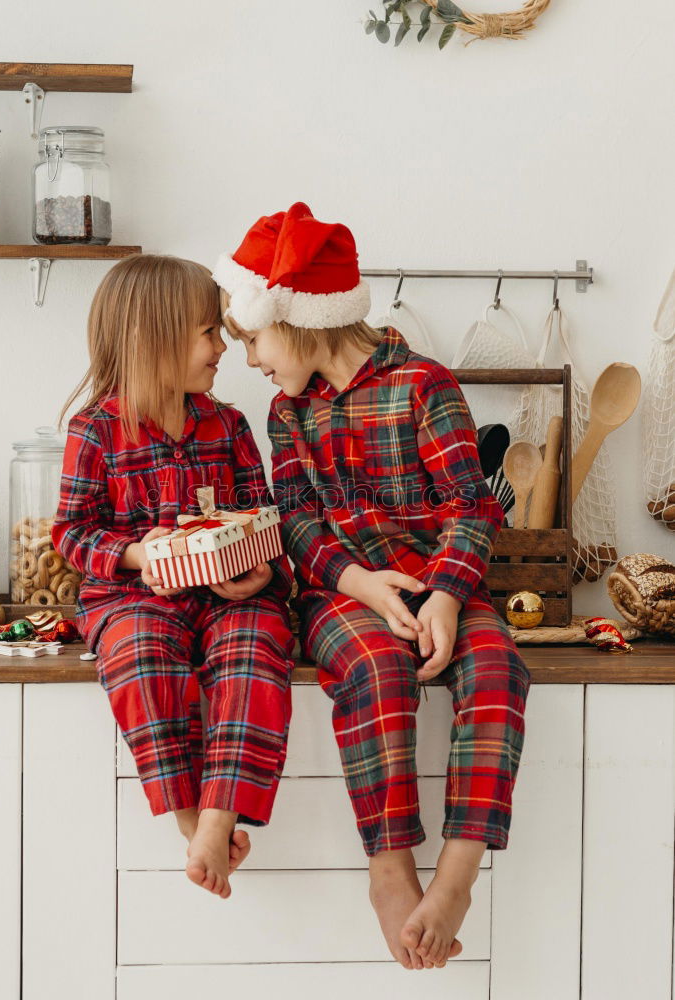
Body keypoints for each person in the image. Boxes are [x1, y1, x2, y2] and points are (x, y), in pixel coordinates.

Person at [214, 203, 531, 969]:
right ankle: (390, 868)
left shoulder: (425, 386)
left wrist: (448, 598)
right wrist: (360, 582)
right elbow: (295, 521)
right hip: (340, 596)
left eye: (253, 338)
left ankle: (458, 872)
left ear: (296, 320)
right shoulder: (288, 414)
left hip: (442, 586)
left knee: (497, 671)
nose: (251, 359)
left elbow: (471, 504)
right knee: (378, 671)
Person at [52, 254, 295, 900]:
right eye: (208, 332)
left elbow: (262, 516)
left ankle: (220, 816)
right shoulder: (97, 431)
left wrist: (259, 567)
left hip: (224, 597)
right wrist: (137, 554)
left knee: (258, 645)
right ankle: (194, 823)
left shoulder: (229, 426)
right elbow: (72, 533)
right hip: (132, 595)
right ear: (151, 338)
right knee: (138, 653)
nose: (223, 346)